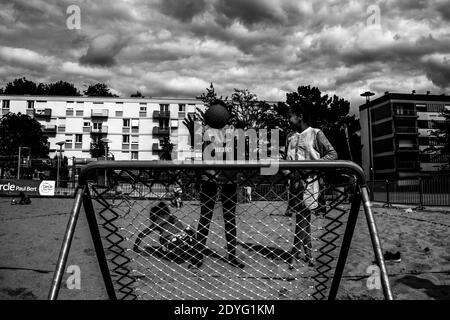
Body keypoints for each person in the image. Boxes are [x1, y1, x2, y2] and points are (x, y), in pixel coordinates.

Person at [192, 99, 245, 269]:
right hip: (209, 177)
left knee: (229, 219)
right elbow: (201, 154)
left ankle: (232, 255)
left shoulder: (233, 131)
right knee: (205, 218)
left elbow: (236, 152)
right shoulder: (204, 131)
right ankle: (198, 256)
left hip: (229, 177)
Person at [285, 104, 337, 268]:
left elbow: (332, 154)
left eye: (291, 116)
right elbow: (286, 161)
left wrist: (314, 166)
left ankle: (294, 253)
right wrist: (288, 174)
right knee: (303, 219)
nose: (288, 119)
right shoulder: (290, 137)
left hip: (310, 182)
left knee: (302, 217)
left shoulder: (316, 133)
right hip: (295, 184)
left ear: (299, 116)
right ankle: (309, 254)